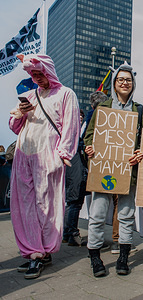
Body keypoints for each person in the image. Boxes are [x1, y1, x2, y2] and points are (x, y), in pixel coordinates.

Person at [9, 54, 80, 279]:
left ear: (49, 71)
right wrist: (21, 113)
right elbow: (14, 127)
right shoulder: (29, 96)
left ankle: (43, 251)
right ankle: (34, 253)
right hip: (23, 155)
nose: (37, 78)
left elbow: (71, 126)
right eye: (34, 75)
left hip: (48, 156)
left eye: (40, 74)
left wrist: (63, 153)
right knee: (24, 207)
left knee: (46, 207)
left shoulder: (66, 94)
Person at [84, 62, 143, 277]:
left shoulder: (139, 110)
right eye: (120, 79)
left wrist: (140, 152)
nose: (124, 83)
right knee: (97, 214)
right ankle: (95, 257)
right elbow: (89, 135)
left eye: (128, 80)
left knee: (126, 215)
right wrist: (90, 148)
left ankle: (123, 257)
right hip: (103, 169)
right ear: (114, 84)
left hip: (128, 172)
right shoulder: (103, 109)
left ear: (133, 84)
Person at [62, 109, 88, 246]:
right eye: (78, 116)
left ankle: (66, 234)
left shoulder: (71, 130)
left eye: (82, 116)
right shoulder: (72, 132)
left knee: (72, 202)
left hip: (72, 170)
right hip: (75, 170)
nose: (80, 118)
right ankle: (72, 234)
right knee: (75, 202)